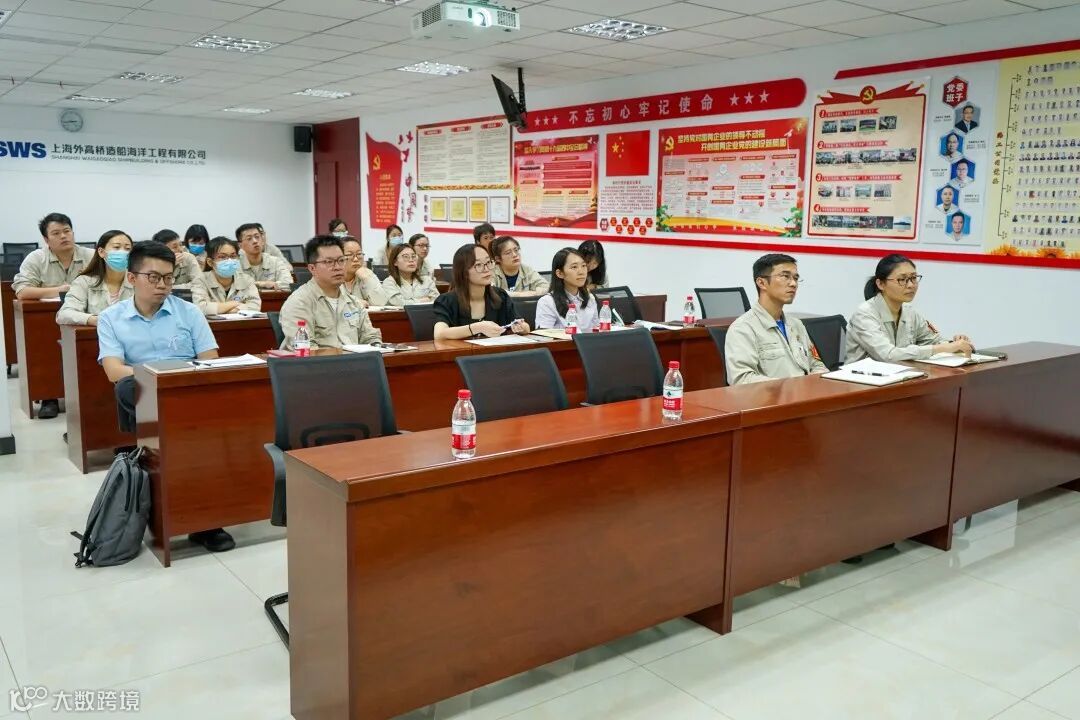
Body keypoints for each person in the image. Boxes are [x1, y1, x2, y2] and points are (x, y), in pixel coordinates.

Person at [96, 240, 234, 553]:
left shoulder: (189, 312)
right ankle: (184, 515)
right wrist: (159, 375)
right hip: (145, 396)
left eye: (169, 278)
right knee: (127, 388)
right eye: (154, 277)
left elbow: (210, 360)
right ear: (132, 278)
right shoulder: (111, 318)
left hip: (190, 392)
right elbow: (114, 371)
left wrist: (177, 378)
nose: (163, 285)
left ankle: (206, 520)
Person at [14, 212, 94, 419]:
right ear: (46, 239)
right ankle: (49, 397)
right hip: (47, 319)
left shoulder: (91, 256)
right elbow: (22, 290)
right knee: (45, 350)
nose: (63, 236)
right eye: (56, 233)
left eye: (67, 231)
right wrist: (59, 290)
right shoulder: (36, 258)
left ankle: (87, 396)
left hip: (84, 316)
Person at [845, 254, 973, 364]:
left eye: (913, 278)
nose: (911, 285)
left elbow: (933, 340)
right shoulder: (864, 314)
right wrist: (943, 348)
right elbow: (888, 355)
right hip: (862, 380)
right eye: (902, 279)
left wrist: (955, 343)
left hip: (900, 376)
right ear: (881, 284)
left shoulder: (909, 312)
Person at [725, 253, 828, 385]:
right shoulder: (743, 328)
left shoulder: (796, 324)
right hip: (774, 396)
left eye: (796, 278)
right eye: (785, 276)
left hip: (806, 394)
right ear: (761, 282)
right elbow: (741, 379)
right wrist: (792, 387)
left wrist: (818, 382)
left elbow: (816, 364)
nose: (793, 284)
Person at [278, 235, 382, 350]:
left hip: (355, 360)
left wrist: (377, 346)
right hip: (321, 361)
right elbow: (305, 349)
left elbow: (371, 338)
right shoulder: (299, 303)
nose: (337, 267)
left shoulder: (354, 303)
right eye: (329, 262)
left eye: (341, 260)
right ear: (312, 268)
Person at [433, 243, 530, 340]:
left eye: (488, 262)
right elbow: (439, 334)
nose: (486, 269)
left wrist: (521, 327)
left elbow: (525, 327)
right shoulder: (447, 301)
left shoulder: (500, 296)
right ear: (464, 272)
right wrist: (477, 327)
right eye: (478, 265)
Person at [56, 230, 134, 327]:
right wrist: (95, 320)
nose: (123, 252)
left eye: (127, 249)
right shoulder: (84, 282)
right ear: (101, 252)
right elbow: (64, 314)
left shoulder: (138, 281)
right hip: (96, 335)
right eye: (116, 247)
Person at [191, 236, 262, 316]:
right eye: (222, 257)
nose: (229, 260)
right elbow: (201, 308)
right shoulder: (200, 280)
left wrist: (221, 309)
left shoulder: (247, 280)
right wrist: (235, 304)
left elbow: (255, 306)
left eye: (233, 256)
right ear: (210, 262)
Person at [534, 247, 599, 331]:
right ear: (560, 273)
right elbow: (544, 336)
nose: (581, 272)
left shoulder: (590, 298)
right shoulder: (547, 302)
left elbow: (596, 330)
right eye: (574, 267)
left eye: (583, 266)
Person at [237, 223, 293, 290]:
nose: (255, 241)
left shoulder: (276, 262)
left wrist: (273, 284)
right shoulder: (236, 265)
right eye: (249, 238)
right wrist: (257, 284)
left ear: (262, 240)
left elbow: (289, 284)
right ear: (240, 245)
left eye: (257, 237)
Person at [341, 237, 389, 306]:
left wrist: (367, 279)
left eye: (359, 254)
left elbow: (381, 303)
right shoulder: (333, 277)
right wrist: (355, 302)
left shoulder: (367, 274)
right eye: (350, 255)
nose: (356, 259)